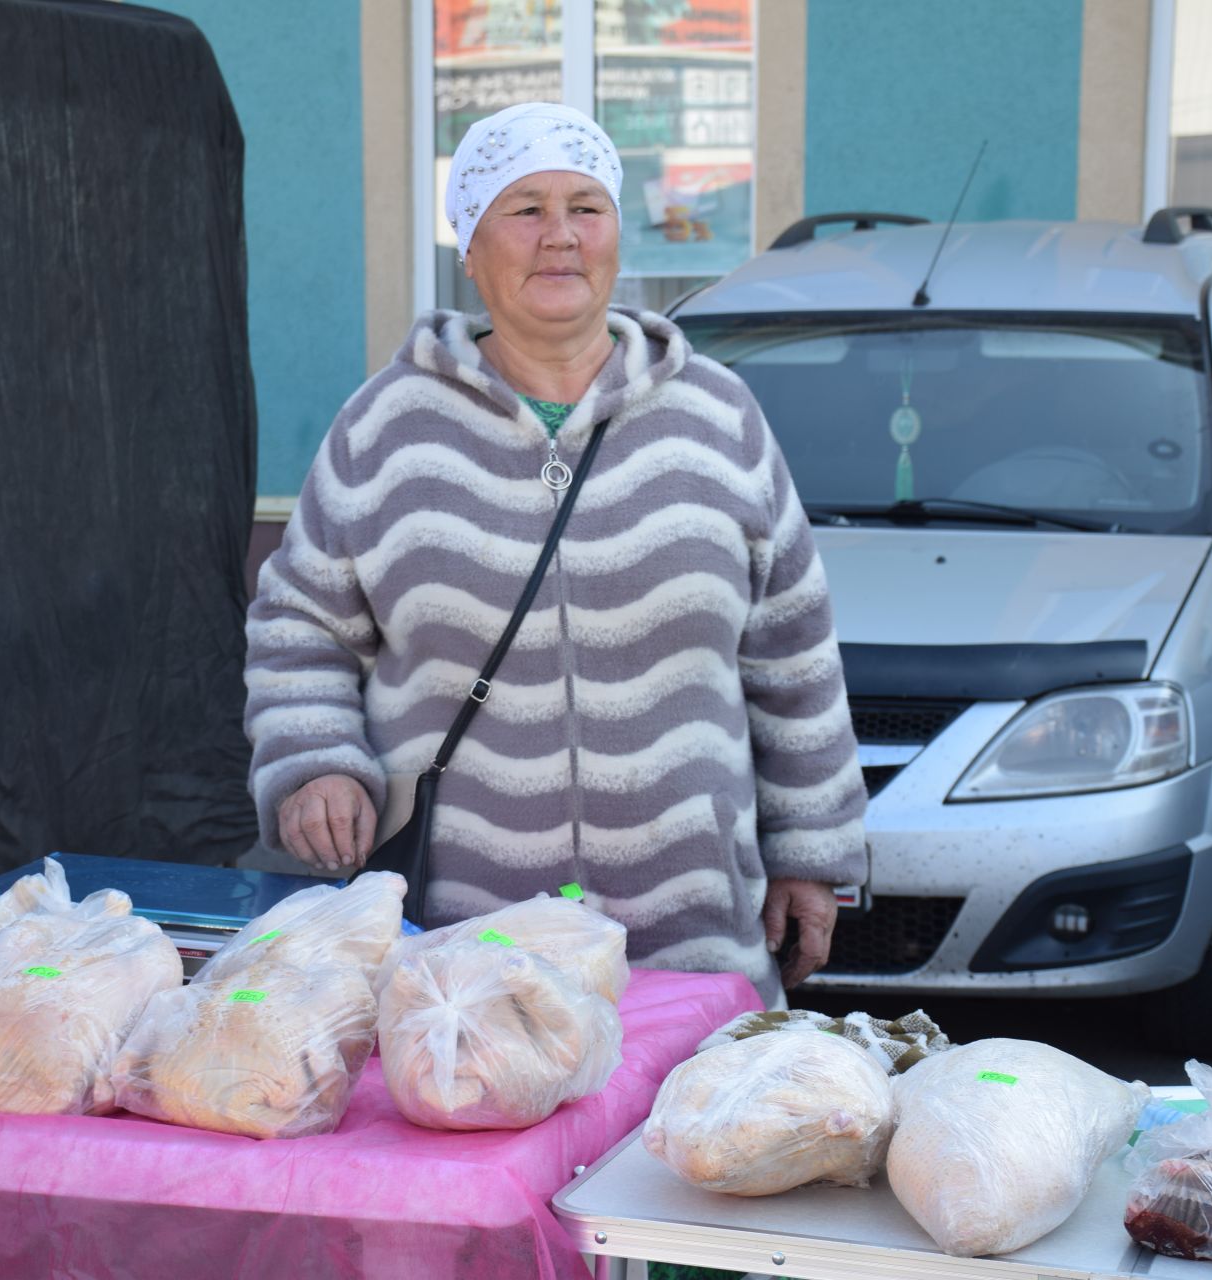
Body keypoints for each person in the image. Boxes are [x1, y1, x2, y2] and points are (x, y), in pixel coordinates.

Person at [243, 102, 867, 1005]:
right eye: (525, 209)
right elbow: (300, 628)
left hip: (690, 932)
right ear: (470, 245)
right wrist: (315, 763)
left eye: (586, 207)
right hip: (460, 950)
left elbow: (793, 654)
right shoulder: (384, 427)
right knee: (479, 1130)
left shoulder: (718, 417)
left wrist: (810, 853)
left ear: (618, 233)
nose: (560, 238)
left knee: (677, 1146)